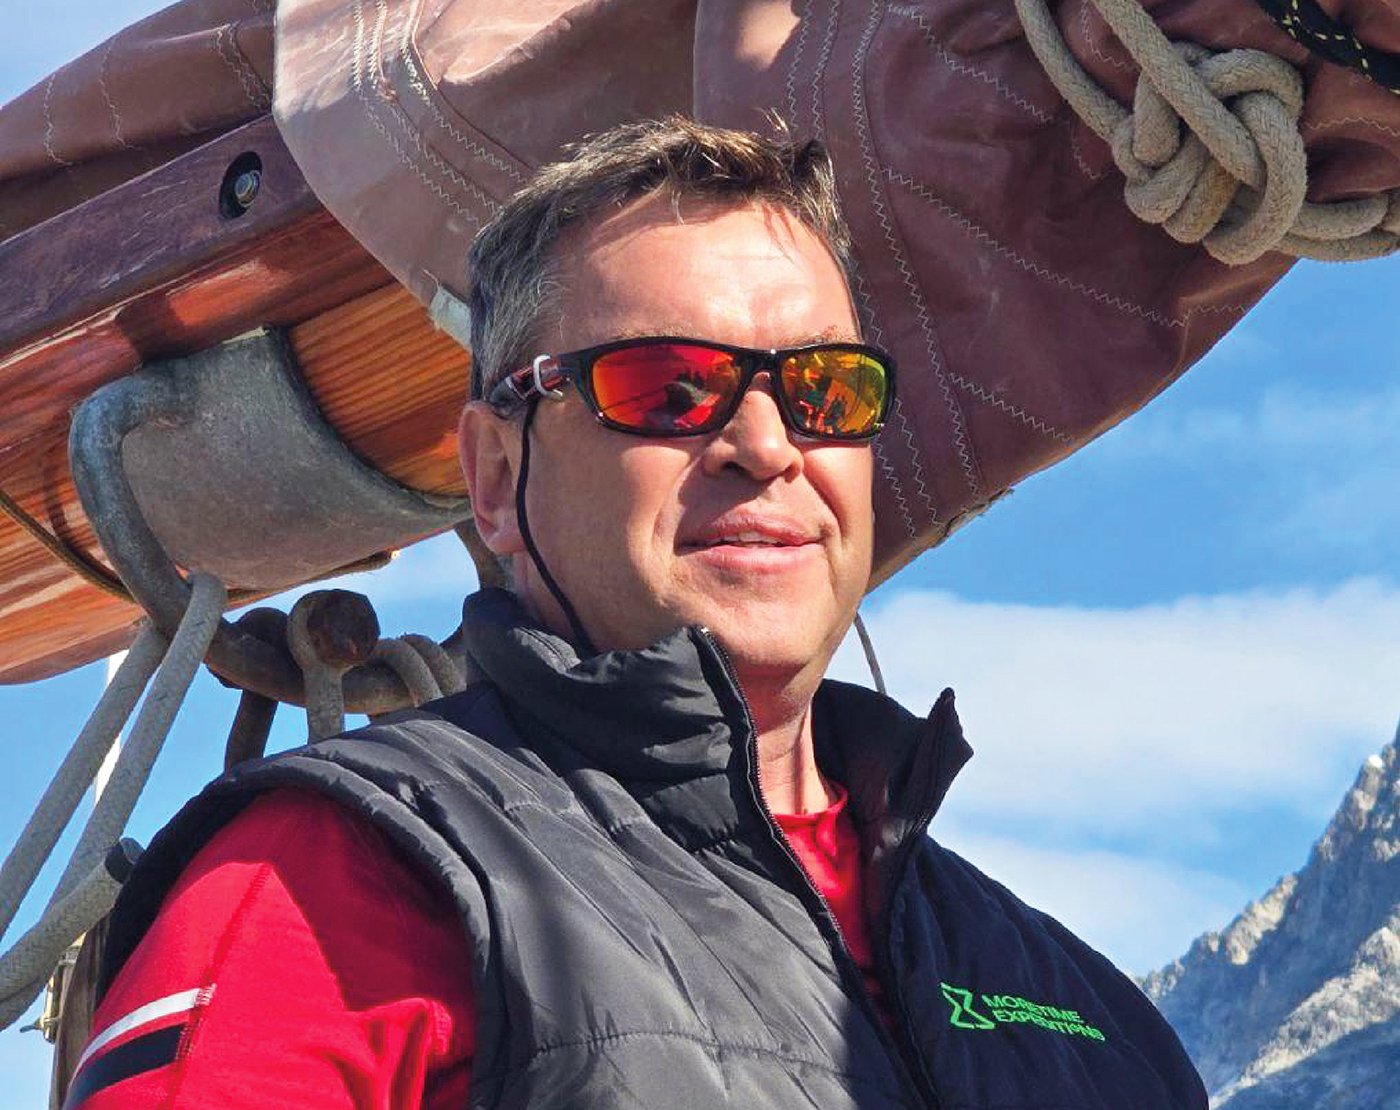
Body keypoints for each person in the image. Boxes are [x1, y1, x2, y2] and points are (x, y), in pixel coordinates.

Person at [68, 117, 1206, 1109]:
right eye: (668, 387)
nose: (767, 446)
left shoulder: (1090, 1012)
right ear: (497, 477)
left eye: (826, 390)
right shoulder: (330, 878)